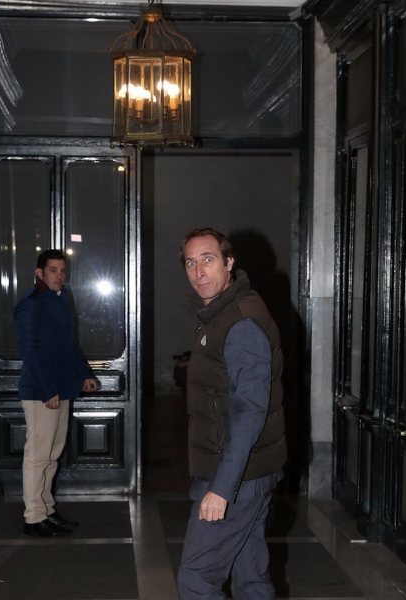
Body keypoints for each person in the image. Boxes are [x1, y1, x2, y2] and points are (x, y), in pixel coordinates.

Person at [177, 228, 286, 599]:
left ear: (228, 263)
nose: (199, 272)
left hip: (237, 475)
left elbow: (249, 411)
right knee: (250, 576)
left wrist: (222, 488)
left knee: (196, 579)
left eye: (208, 260)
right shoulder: (220, 314)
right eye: (190, 263)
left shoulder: (240, 323)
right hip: (250, 471)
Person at [14, 249, 100, 537]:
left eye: (62, 270)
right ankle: (33, 517)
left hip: (60, 389)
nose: (59, 276)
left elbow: (69, 345)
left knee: (52, 455)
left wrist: (84, 374)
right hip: (42, 391)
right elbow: (30, 352)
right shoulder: (31, 305)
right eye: (53, 270)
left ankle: (46, 510)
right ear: (39, 273)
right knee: (38, 456)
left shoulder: (62, 300)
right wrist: (47, 390)